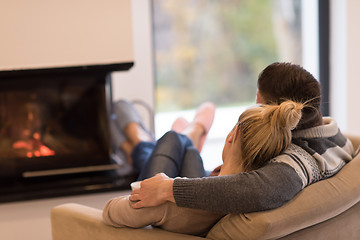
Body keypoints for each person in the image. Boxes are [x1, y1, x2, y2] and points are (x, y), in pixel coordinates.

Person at [128, 62, 355, 214]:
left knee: (172, 139)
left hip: (195, 218)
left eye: (258, 103)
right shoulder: (336, 138)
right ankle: (168, 137)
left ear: (274, 110)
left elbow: (260, 191)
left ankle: (154, 136)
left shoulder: (299, 160)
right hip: (216, 182)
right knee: (181, 145)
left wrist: (167, 189)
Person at [103, 100, 306, 236]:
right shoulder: (250, 195)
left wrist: (164, 187)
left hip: (163, 225)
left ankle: (171, 136)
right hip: (198, 208)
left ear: (231, 136)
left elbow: (110, 211)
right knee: (190, 153)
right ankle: (180, 137)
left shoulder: (170, 204)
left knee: (171, 139)